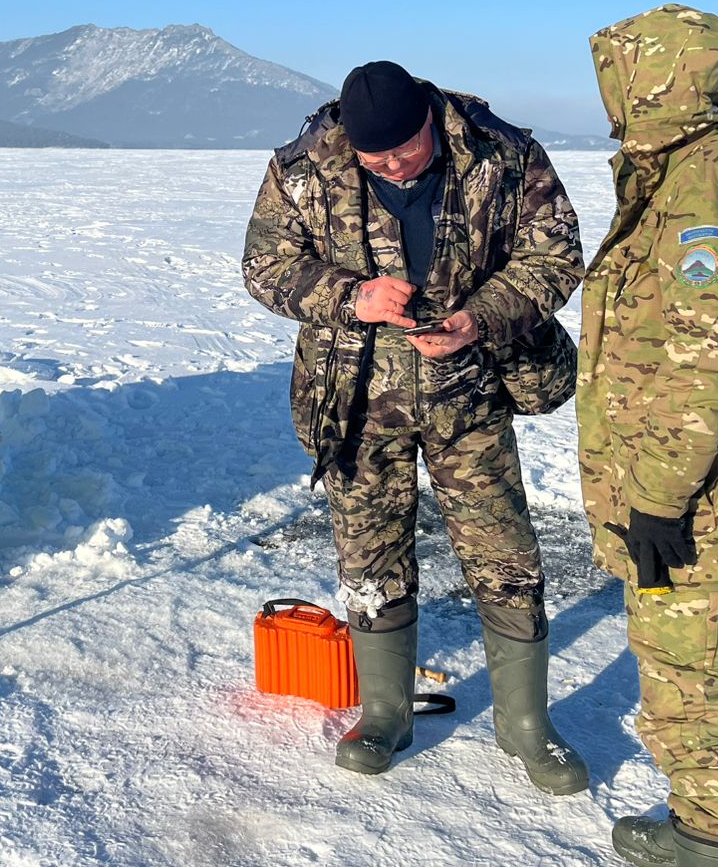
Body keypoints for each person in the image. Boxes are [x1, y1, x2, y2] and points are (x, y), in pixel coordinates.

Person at [242, 60, 589, 794]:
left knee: (505, 551)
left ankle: (525, 724)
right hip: (357, 397)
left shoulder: (501, 151)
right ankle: (385, 714)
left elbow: (554, 255)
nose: (395, 168)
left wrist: (477, 319)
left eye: (406, 151)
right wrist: (351, 296)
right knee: (369, 554)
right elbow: (266, 267)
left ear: (429, 118)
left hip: (470, 389)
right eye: (377, 160)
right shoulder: (302, 166)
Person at [575, 6, 718, 866]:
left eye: (617, 72)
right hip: (701, 496)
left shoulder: (707, 186)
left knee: (702, 690)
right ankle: (704, 830)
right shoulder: (684, 176)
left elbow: (708, 362)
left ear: (652, 77)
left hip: (707, 508)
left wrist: (656, 498)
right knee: (689, 683)